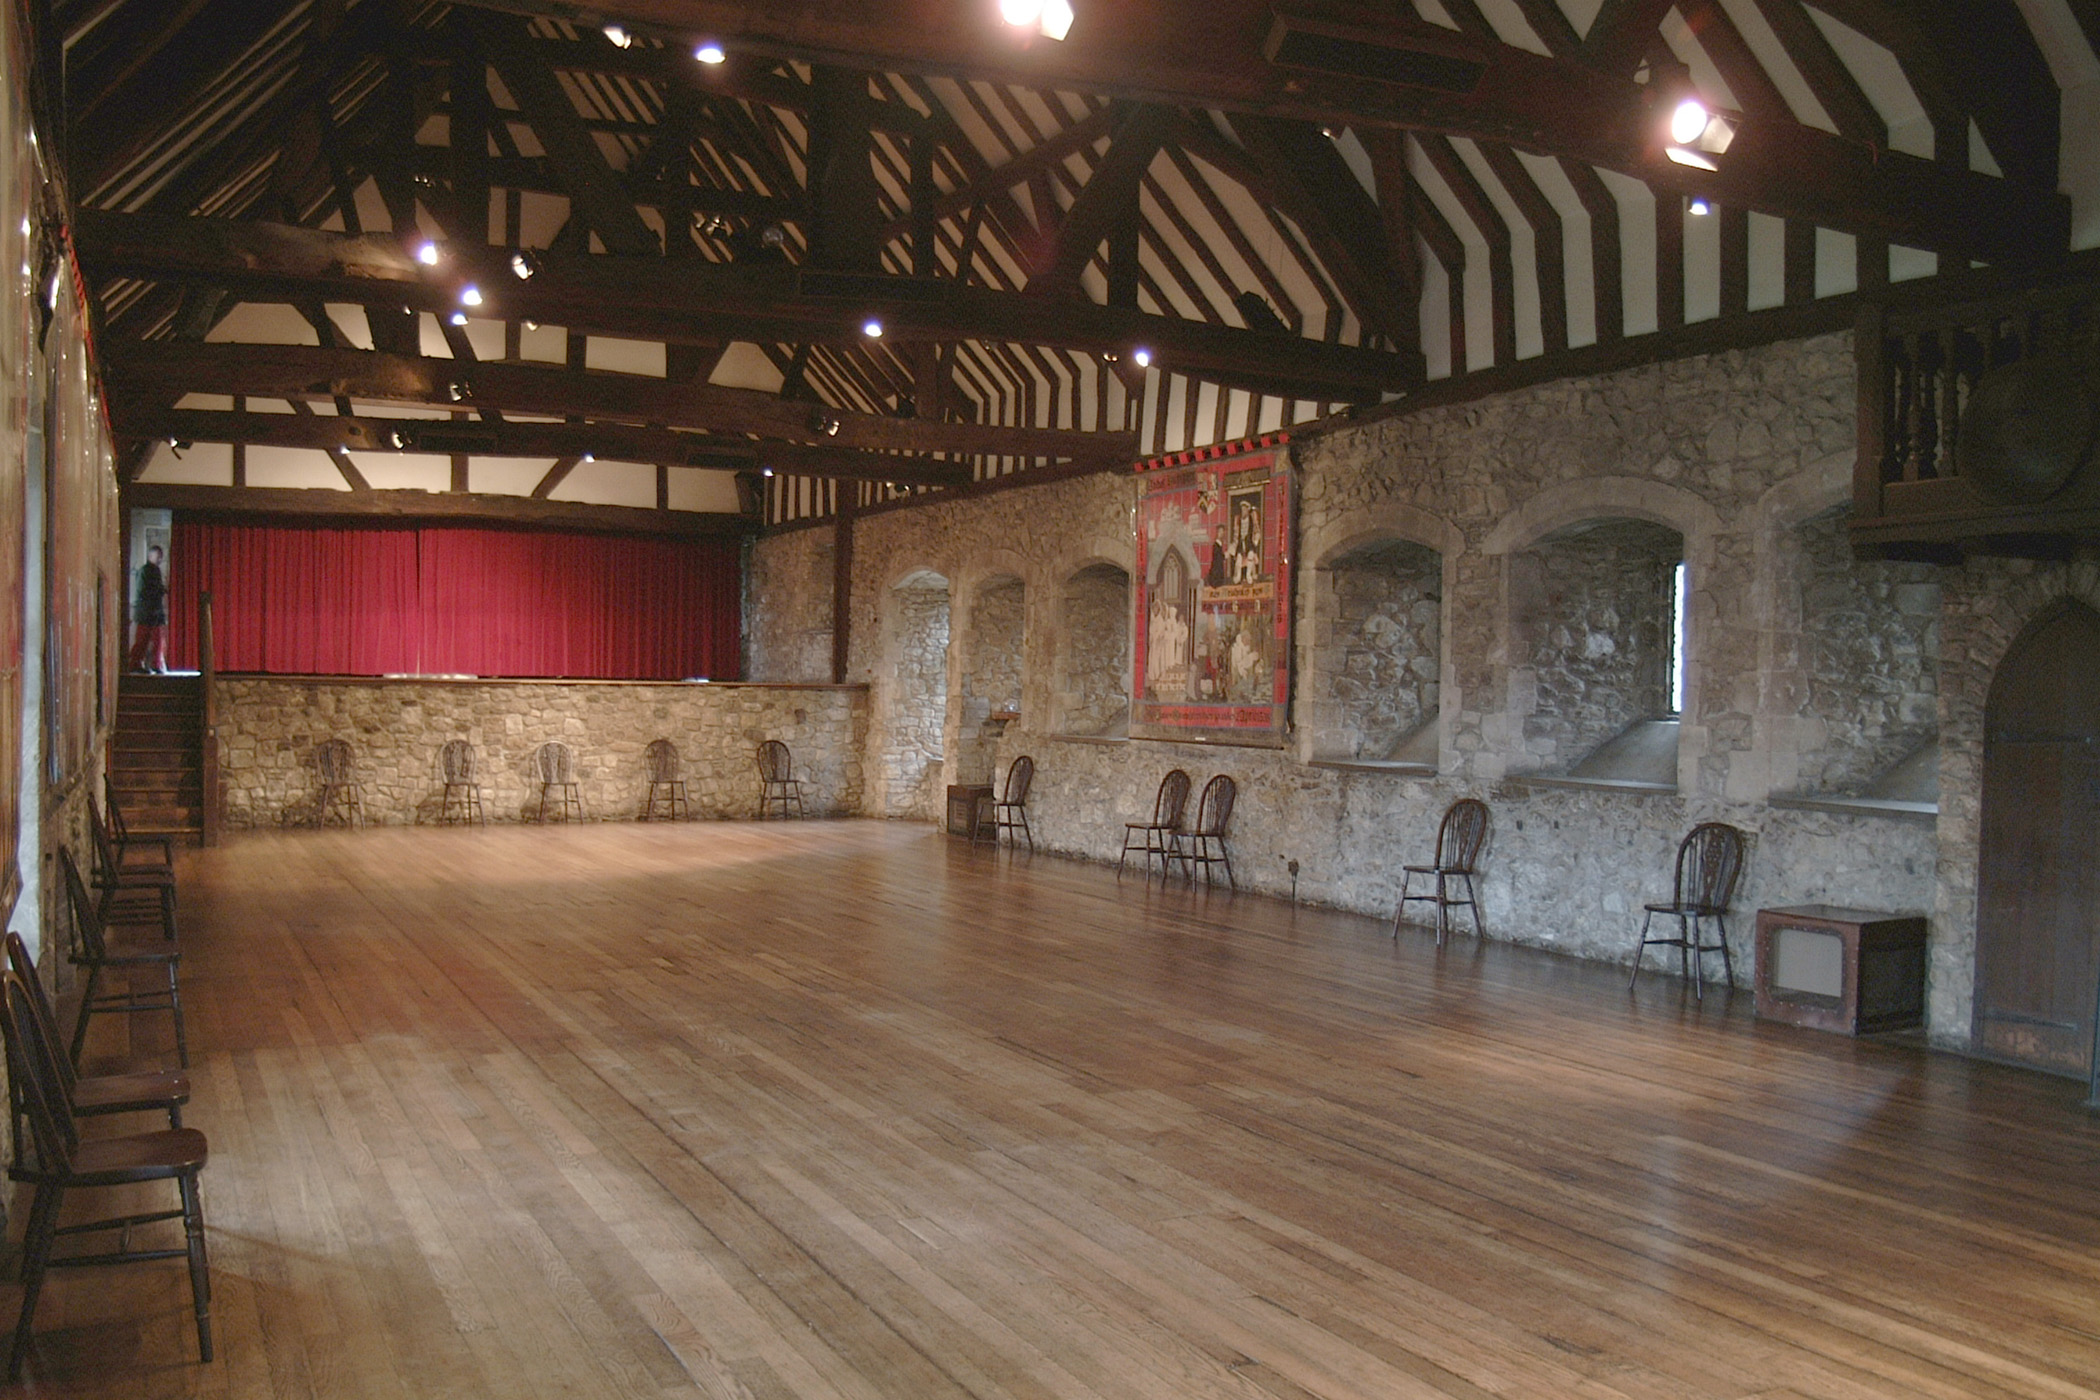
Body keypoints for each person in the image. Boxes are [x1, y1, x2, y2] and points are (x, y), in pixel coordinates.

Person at [128, 544, 169, 673]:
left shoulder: (154, 571)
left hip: (153, 612)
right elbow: (144, 591)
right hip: (146, 612)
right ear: (151, 555)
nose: (160, 559)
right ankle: (136, 664)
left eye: (161, 557)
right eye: (158, 556)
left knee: (157, 640)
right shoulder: (145, 571)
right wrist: (160, 590)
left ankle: (156, 664)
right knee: (143, 640)